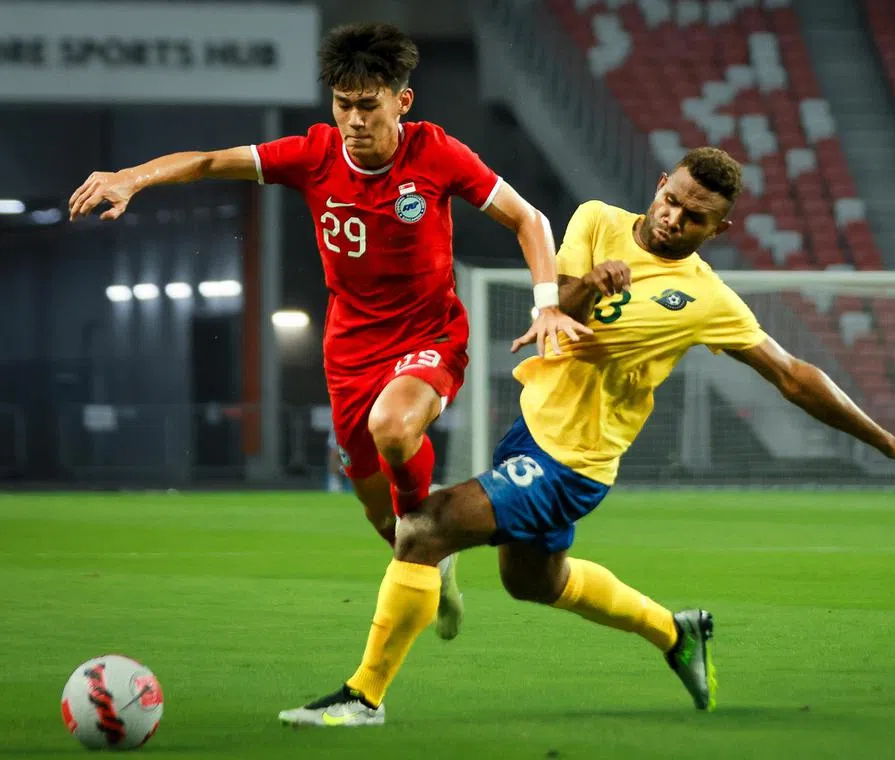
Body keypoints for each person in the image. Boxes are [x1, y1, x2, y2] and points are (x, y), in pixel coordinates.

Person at [277, 147, 895, 727]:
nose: (674, 218)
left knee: (422, 530)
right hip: (531, 431)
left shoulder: (706, 298)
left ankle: (364, 696)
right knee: (531, 584)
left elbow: (792, 376)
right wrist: (588, 286)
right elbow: (554, 307)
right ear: (660, 184)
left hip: (574, 462)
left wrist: (886, 442)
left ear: (718, 228)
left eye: (696, 216)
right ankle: (677, 631)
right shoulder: (597, 221)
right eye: (673, 200)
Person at [67, 22, 588, 641]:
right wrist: (133, 176)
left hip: (429, 336)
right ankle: (432, 548)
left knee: (394, 429)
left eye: (369, 105)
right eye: (344, 105)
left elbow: (530, 219)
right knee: (381, 515)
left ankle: (428, 530)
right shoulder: (313, 155)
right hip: (349, 354)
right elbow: (209, 161)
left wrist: (547, 303)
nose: (355, 120)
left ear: (402, 100)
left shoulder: (437, 154)